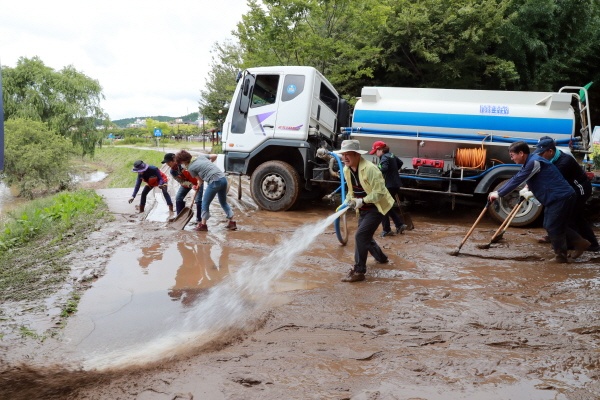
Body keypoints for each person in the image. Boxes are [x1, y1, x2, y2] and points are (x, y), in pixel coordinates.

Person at [488, 141, 590, 263]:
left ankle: (561, 257)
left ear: (521, 153)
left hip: (561, 197)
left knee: (553, 226)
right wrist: (526, 189)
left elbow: (517, 179)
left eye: (512, 155)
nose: (511, 158)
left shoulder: (533, 161)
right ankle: (580, 243)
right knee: (549, 225)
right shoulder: (530, 162)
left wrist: (498, 193)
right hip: (555, 198)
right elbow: (524, 177)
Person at [335, 140, 395, 282]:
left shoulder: (370, 169)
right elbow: (350, 192)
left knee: (360, 236)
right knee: (366, 236)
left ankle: (359, 271)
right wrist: (345, 203)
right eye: (343, 155)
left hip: (377, 207)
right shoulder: (346, 170)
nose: (344, 158)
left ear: (357, 155)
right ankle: (382, 258)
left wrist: (362, 201)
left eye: (348, 154)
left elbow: (380, 193)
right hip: (362, 208)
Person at [535, 137, 599, 252]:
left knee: (571, 217)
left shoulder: (565, 161)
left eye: (541, 153)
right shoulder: (550, 158)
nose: (539, 156)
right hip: (568, 190)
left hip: (580, 189)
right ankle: (577, 242)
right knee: (572, 217)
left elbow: (550, 180)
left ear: (550, 151)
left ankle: (584, 244)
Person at [174, 150, 237, 232]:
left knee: (205, 203)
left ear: (183, 161)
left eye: (180, 163)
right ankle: (232, 222)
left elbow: (200, 181)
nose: (181, 164)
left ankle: (203, 225)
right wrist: (208, 166)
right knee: (223, 202)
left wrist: (197, 186)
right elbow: (215, 155)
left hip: (215, 182)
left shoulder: (190, 168)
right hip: (223, 179)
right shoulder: (201, 157)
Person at [369, 140, 408, 237]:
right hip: (396, 184)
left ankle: (387, 230)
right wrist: (393, 170)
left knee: (382, 207)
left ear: (380, 149)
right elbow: (400, 163)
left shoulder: (384, 157)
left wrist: (376, 170)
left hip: (389, 185)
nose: (376, 154)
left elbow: (384, 168)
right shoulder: (391, 155)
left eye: (376, 152)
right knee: (387, 206)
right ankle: (399, 225)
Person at [162, 152, 203, 224]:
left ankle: (199, 220)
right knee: (178, 198)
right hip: (186, 183)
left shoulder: (184, 164)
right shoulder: (173, 171)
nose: (167, 165)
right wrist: (191, 185)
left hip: (198, 181)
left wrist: (197, 183)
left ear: (173, 161)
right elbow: (181, 181)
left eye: (168, 163)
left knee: (198, 200)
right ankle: (180, 217)